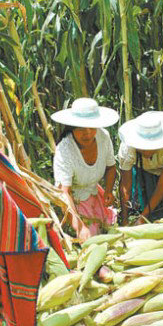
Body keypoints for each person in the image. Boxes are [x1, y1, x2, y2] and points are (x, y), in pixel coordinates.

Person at [52, 98, 119, 242]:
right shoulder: (65, 150)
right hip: (74, 200)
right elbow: (64, 193)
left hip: (95, 191)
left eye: (91, 127)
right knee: (91, 238)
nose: (87, 133)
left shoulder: (103, 137)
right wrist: (79, 226)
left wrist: (108, 190)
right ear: (72, 127)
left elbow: (111, 167)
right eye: (81, 128)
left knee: (110, 230)